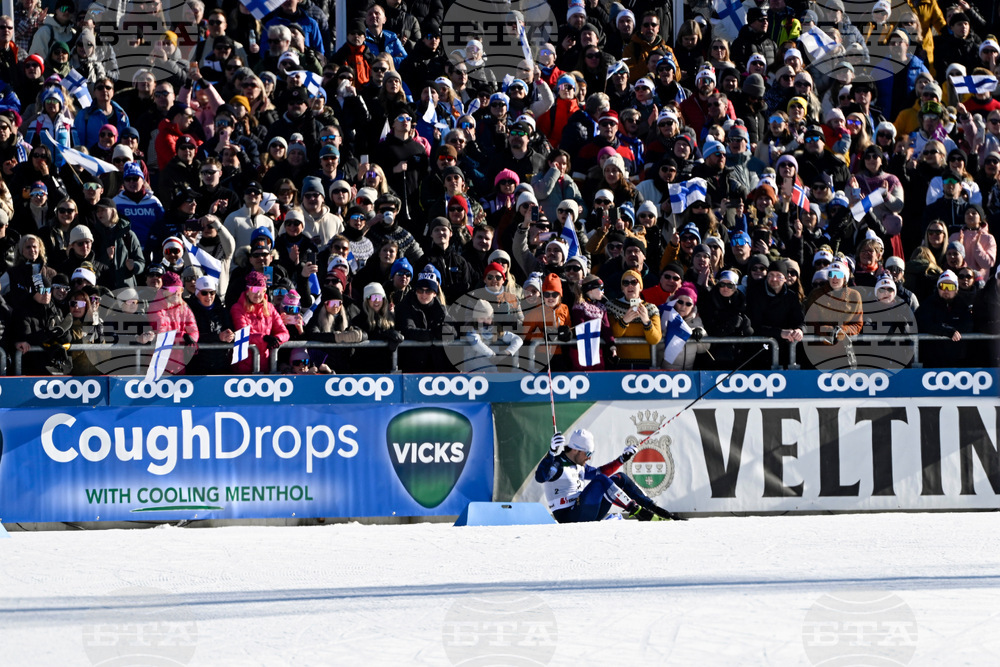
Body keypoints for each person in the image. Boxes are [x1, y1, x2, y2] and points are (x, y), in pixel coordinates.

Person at [535, 429, 682, 522]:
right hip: (570, 516)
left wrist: (622, 459)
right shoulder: (556, 464)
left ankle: (656, 510)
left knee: (620, 478)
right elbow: (540, 477)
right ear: (576, 450)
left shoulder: (579, 465)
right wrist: (551, 452)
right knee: (600, 481)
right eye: (588, 454)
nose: (589, 458)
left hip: (586, 511)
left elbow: (599, 473)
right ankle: (637, 511)